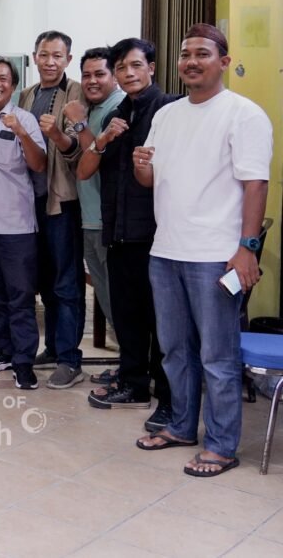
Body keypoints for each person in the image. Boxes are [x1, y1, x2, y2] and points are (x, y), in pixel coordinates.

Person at [135, 24, 272, 477]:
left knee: (217, 356)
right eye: (185, 54)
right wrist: (140, 167)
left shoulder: (243, 114)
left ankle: (222, 444)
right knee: (174, 351)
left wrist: (247, 248)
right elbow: (150, 179)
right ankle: (181, 426)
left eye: (202, 53)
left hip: (216, 254)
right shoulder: (167, 114)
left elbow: (256, 184)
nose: (191, 61)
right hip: (166, 250)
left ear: (224, 62)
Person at [76, 39, 178, 432]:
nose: (128, 73)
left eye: (136, 65)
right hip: (118, 231)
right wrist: (102, 139)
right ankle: (134, 385)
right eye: (122, 67)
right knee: (128, 317)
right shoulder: (117, 115)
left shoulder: (168, 111)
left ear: (151, 67)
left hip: (157, 236)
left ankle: (169, 399)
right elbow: (85, 170)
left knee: (162, 324)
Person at [0, 57, 48, 390]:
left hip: (16, 225)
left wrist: (21, 133)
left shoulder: (24, 119)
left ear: (13, 86)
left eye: (3, 79)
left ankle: (24, 361)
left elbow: (39, 164)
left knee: (20, 296)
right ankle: (1, 351)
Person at [21, 30, 86, 389]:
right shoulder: (28, 94)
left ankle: (70, 359)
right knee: (45, 281)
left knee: (66, 282)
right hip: (32, 201)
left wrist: (60, 135)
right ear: (35, 57)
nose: (50, 62)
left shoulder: (76, 92)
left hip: (62, 200)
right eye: (44, 55)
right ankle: (53, 347)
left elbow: (80, 147)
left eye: (57, 56)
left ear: (68, 59)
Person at [62, 47, 125, 360]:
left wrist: (79, 124)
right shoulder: (94, 108)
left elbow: (94, 160)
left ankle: (136, 368)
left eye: (100, 74)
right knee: (107, 297)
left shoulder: (119, 108)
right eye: (86, 75)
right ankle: (127, 365)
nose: (92, 81)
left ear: (115, 76)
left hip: (109, 223)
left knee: (120, 299)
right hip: (90, 219)